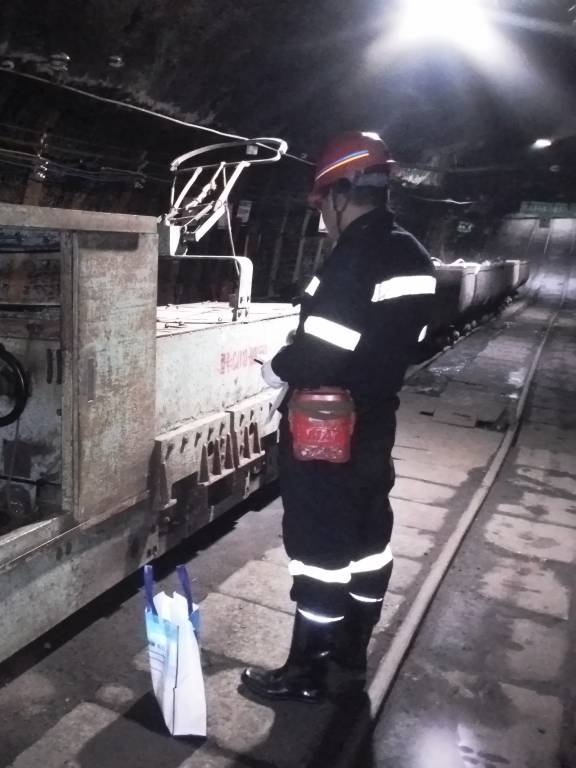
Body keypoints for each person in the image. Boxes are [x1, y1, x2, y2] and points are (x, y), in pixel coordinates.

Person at [241, 131, 436, 703]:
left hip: (329, 428)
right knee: (369, 537)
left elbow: (323, 350)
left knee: (320, 549)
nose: (322, 216)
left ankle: (306, 670)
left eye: (323, 201)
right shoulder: (412, 253)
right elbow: (415, 339)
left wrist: (278, 365)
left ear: (342, 193)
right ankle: (352, 651)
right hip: (375, 420)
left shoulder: (355, 257)